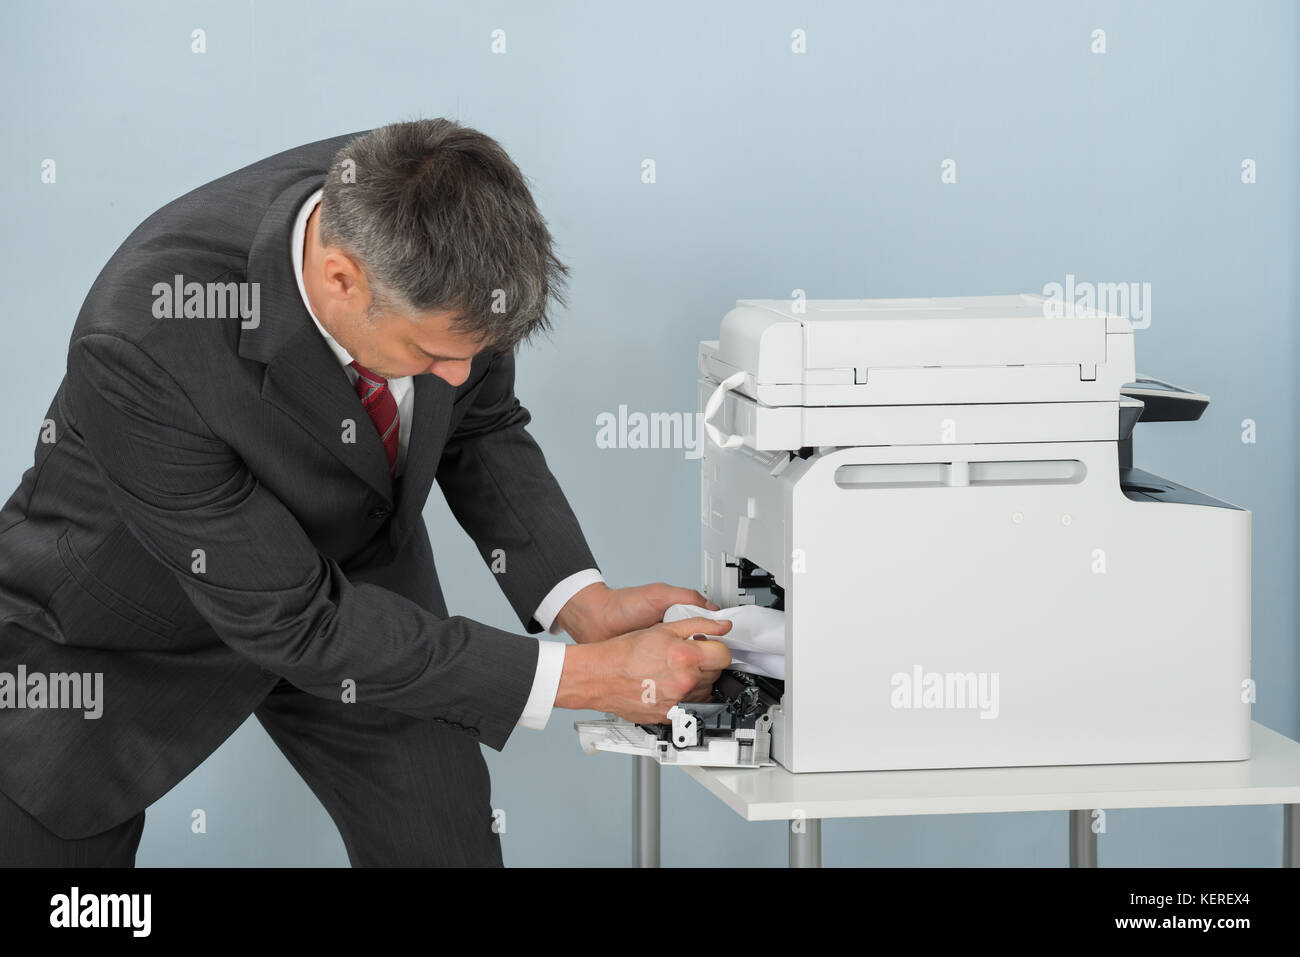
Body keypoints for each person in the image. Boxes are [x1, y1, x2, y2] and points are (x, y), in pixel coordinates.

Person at [0, 119, 732, 866]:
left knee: (446, 844)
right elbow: (299, 625)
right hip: (114, 633)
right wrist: (585, 679)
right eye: (431, 353)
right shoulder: (140, 342)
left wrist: (584, 603)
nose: (458, 375)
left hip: (360, 591)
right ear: (341, 278)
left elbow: (480, 423)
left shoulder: (441, 214)